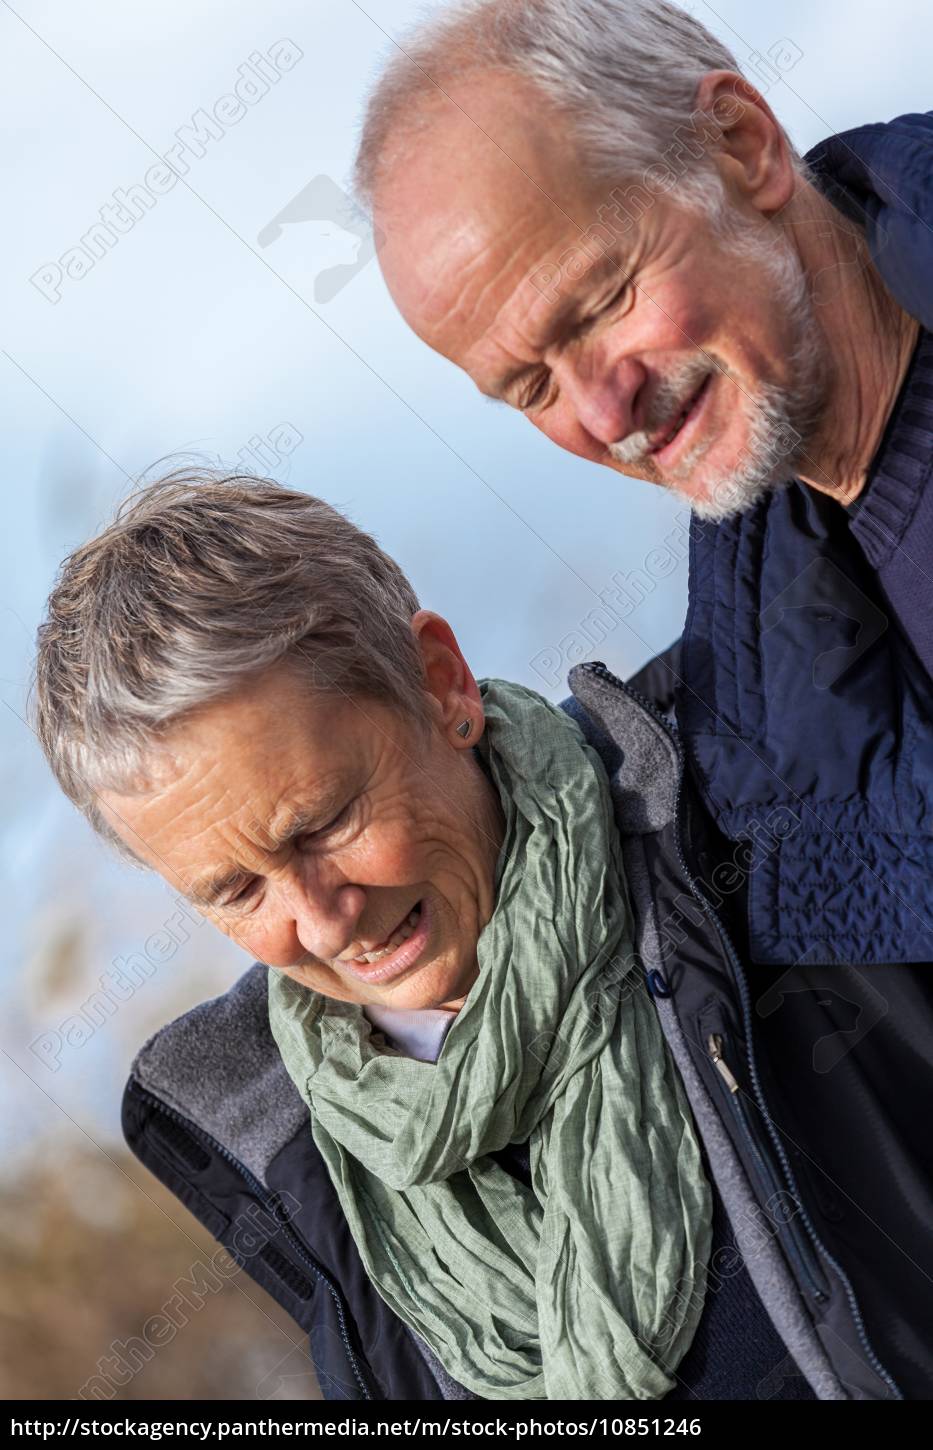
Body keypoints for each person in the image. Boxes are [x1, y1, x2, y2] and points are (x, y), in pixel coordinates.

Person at [31, 468, 721, 1400]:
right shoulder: (284, 1159)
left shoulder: (754, 835)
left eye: (321, 824)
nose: (319, 920)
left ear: (441, 684)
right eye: (236, 890)